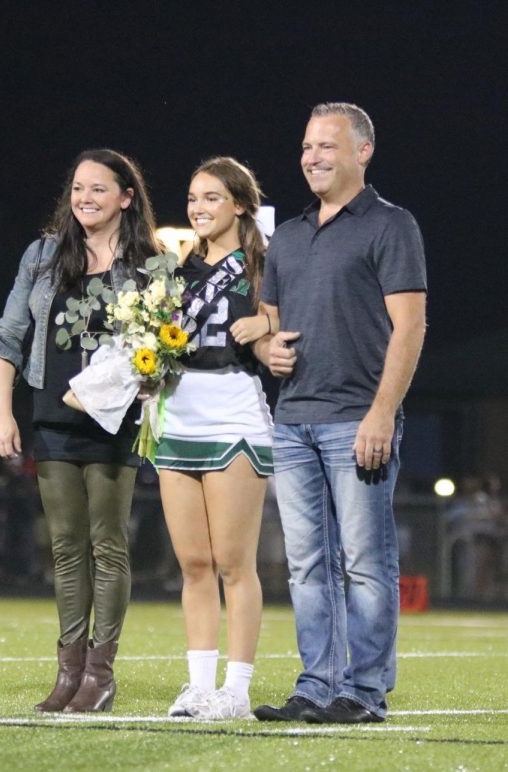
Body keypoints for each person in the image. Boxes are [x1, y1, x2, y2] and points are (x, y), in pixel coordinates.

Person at [252, 103, 427, 724]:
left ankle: (365, 691)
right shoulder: (291, 235)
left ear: (363, 151)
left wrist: (383, 413)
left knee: (365, 563)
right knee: (304, 565)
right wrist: (263, 346)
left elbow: (409, 328)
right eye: (306, 146)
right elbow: (269, 326)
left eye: (327, 145)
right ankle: (317, 686)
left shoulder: (391, 224)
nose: (312, 156)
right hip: (292, 420)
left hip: (357, 417)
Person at [0, 148, 162, 712]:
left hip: (114, 423)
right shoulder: (42, 255)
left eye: (99, 189)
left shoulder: (149, 263)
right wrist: (1, 412)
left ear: (125, 198)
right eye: (78, 188)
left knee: (107, 544)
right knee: (65, 546)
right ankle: (66, 672)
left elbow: (160, 350)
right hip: (52, 417)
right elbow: (7, 336)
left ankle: (99, 674)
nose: (85, 198)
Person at [152, 157, 274, 720]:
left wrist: (268, 326)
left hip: (234, 411)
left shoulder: (264, 265)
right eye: (193, 198)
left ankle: (237, 690)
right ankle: (199, 685)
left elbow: (292, 321)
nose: (199, 208)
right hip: (179, 413)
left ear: (240, 205)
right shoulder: (177, 270)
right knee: (194, 562)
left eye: (212, 198)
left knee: (233, 561)